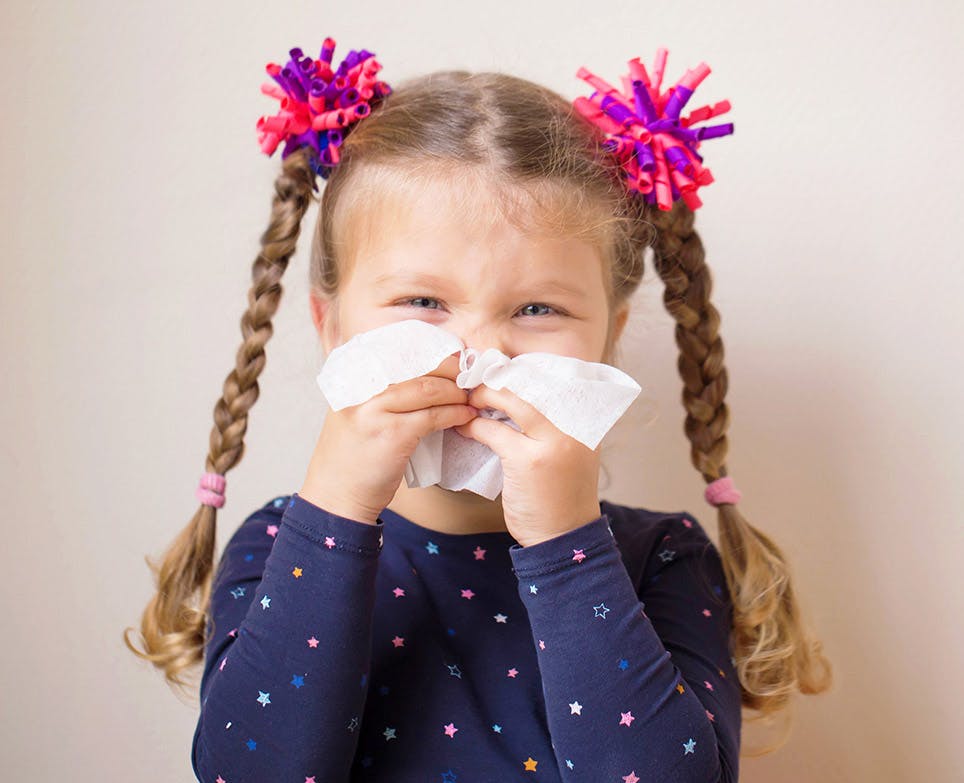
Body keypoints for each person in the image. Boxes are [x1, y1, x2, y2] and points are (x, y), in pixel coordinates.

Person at [124, 40, 832, 782]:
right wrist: (333, 510)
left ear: (607, 342)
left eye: (536, 308)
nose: (477, 350)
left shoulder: (660, 559)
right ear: (330, 324)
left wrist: (567, 542)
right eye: (423, 302)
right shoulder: (278, 545)